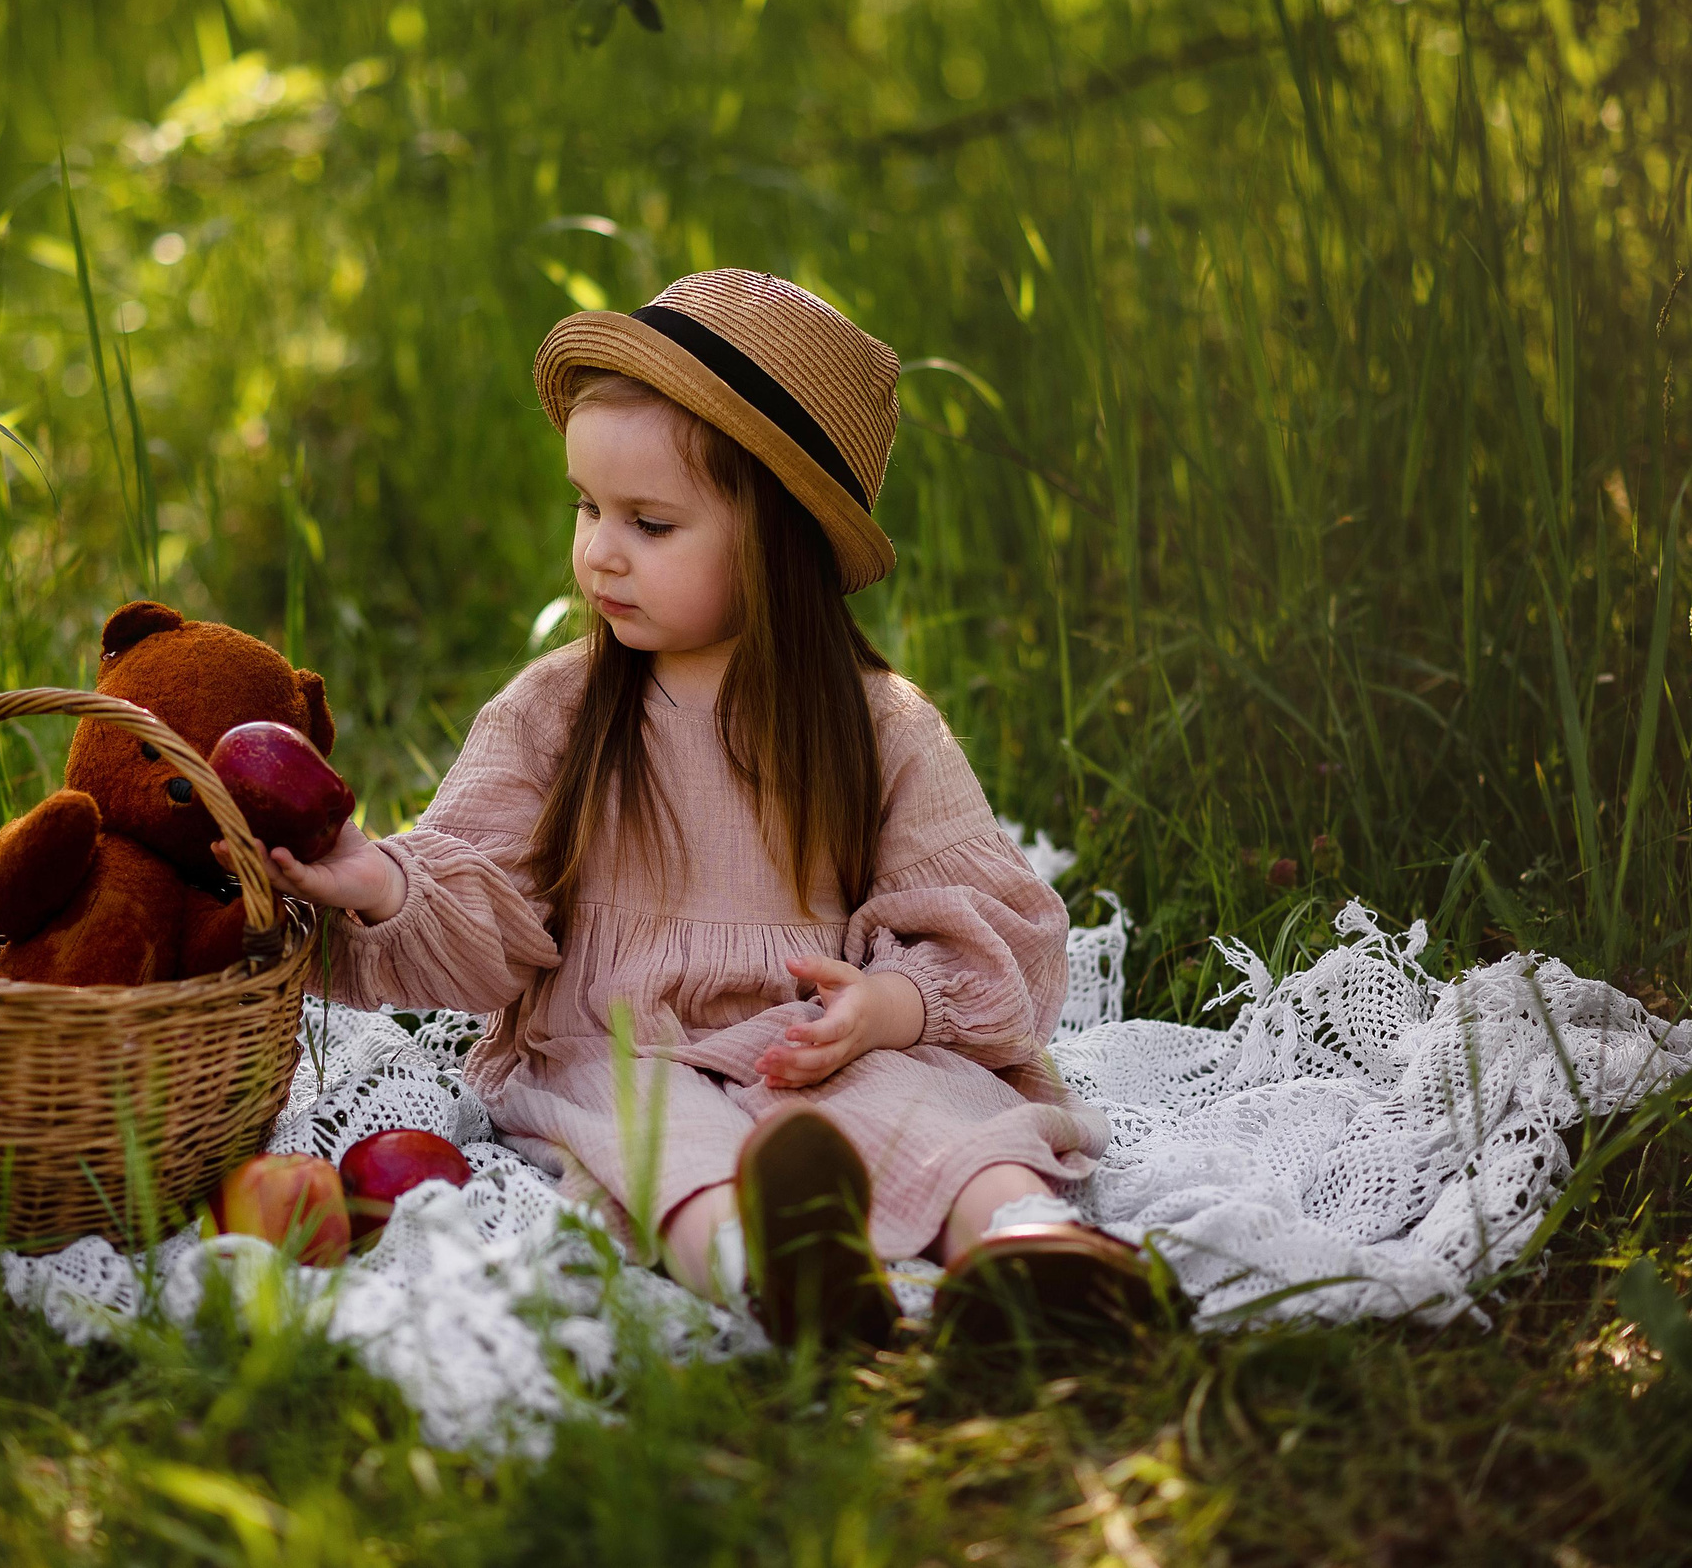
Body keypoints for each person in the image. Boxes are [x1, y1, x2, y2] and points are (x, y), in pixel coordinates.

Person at [249, 269, 1168, 1346]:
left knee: (934, 1101)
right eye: (586, 507)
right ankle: (777, 1266)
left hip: (816, 1035)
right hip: (615, 1040)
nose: (599, 548)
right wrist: (378, 875)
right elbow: (486, 903)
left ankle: (1021, 1237)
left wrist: (886, 1008)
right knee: (655, 1139)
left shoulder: (877, 724)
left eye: (649, 520)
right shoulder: (557, 709)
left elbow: (981, 916)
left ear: (776, 541)